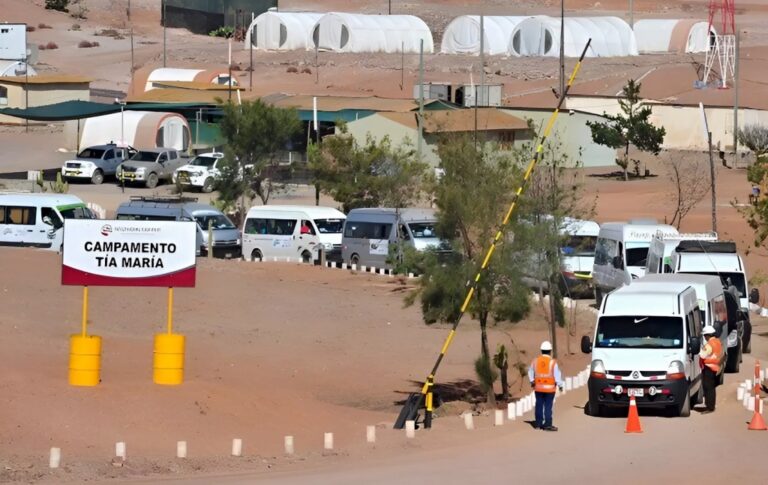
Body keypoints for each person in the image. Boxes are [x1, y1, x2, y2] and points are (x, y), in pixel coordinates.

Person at [528, 341, 564, 431]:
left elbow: (530, 372)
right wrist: (560, 385)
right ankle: (547, 424)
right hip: (549, 390)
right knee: (548, 406)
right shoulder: (552, 362)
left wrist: (532, 381)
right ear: (550, 351)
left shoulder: (535, 361)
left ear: (541, 350)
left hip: (538, 388)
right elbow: (557, 376)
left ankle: (538, 423)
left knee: (539, 404)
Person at [699, 325, 723, 414]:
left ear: (708, 335)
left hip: (708, 368)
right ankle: (711, 406)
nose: (704, 337)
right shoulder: (717, 342)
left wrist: (701, 349)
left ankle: (709, 407)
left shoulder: (709, 344)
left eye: (705, 335)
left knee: (708, 388)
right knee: (711, 388)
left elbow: (702, 355)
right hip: (715, 367)